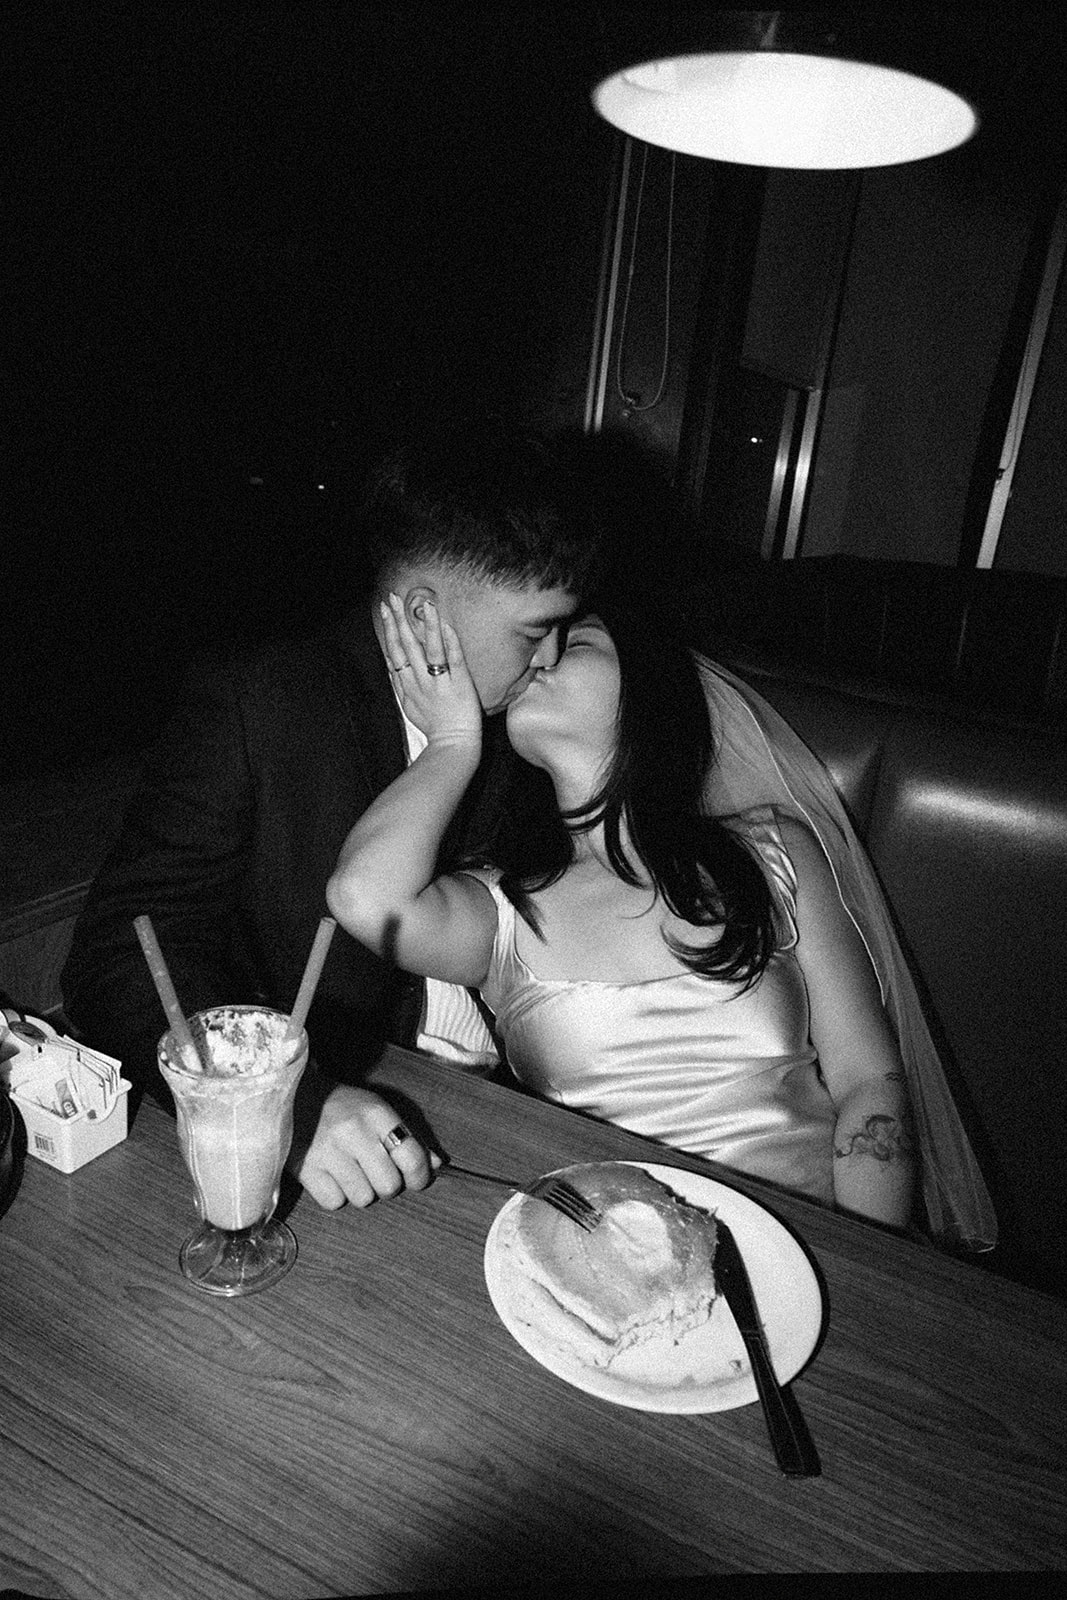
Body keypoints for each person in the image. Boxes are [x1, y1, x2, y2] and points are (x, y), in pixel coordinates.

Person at [326, 591, 997, 1247]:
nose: (539, 658)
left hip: (815, 1237)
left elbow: (867, 1080)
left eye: (577, 640)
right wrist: (450, 741)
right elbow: (364, 898)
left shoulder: (772, 853)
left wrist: (864, 1264)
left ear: (648, 692)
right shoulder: (496, 905)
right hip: (616, 1257)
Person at [60, 418, 600, 1212]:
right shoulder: (262, 701)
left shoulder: (534, 718)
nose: (553, 657)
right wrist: (288, 1100)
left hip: (522, 1113)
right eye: (534, 631)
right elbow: (119, 951)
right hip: (338, 1124)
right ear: (424, 618)